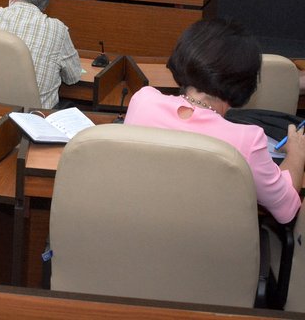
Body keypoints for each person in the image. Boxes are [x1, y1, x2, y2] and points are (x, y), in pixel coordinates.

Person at [125, 18, 304, 224]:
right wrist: (297, 152)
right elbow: (287, 210)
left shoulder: (142, 100)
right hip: (208, 249)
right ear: (245, 82)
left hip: (140, 231)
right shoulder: (247, 141)